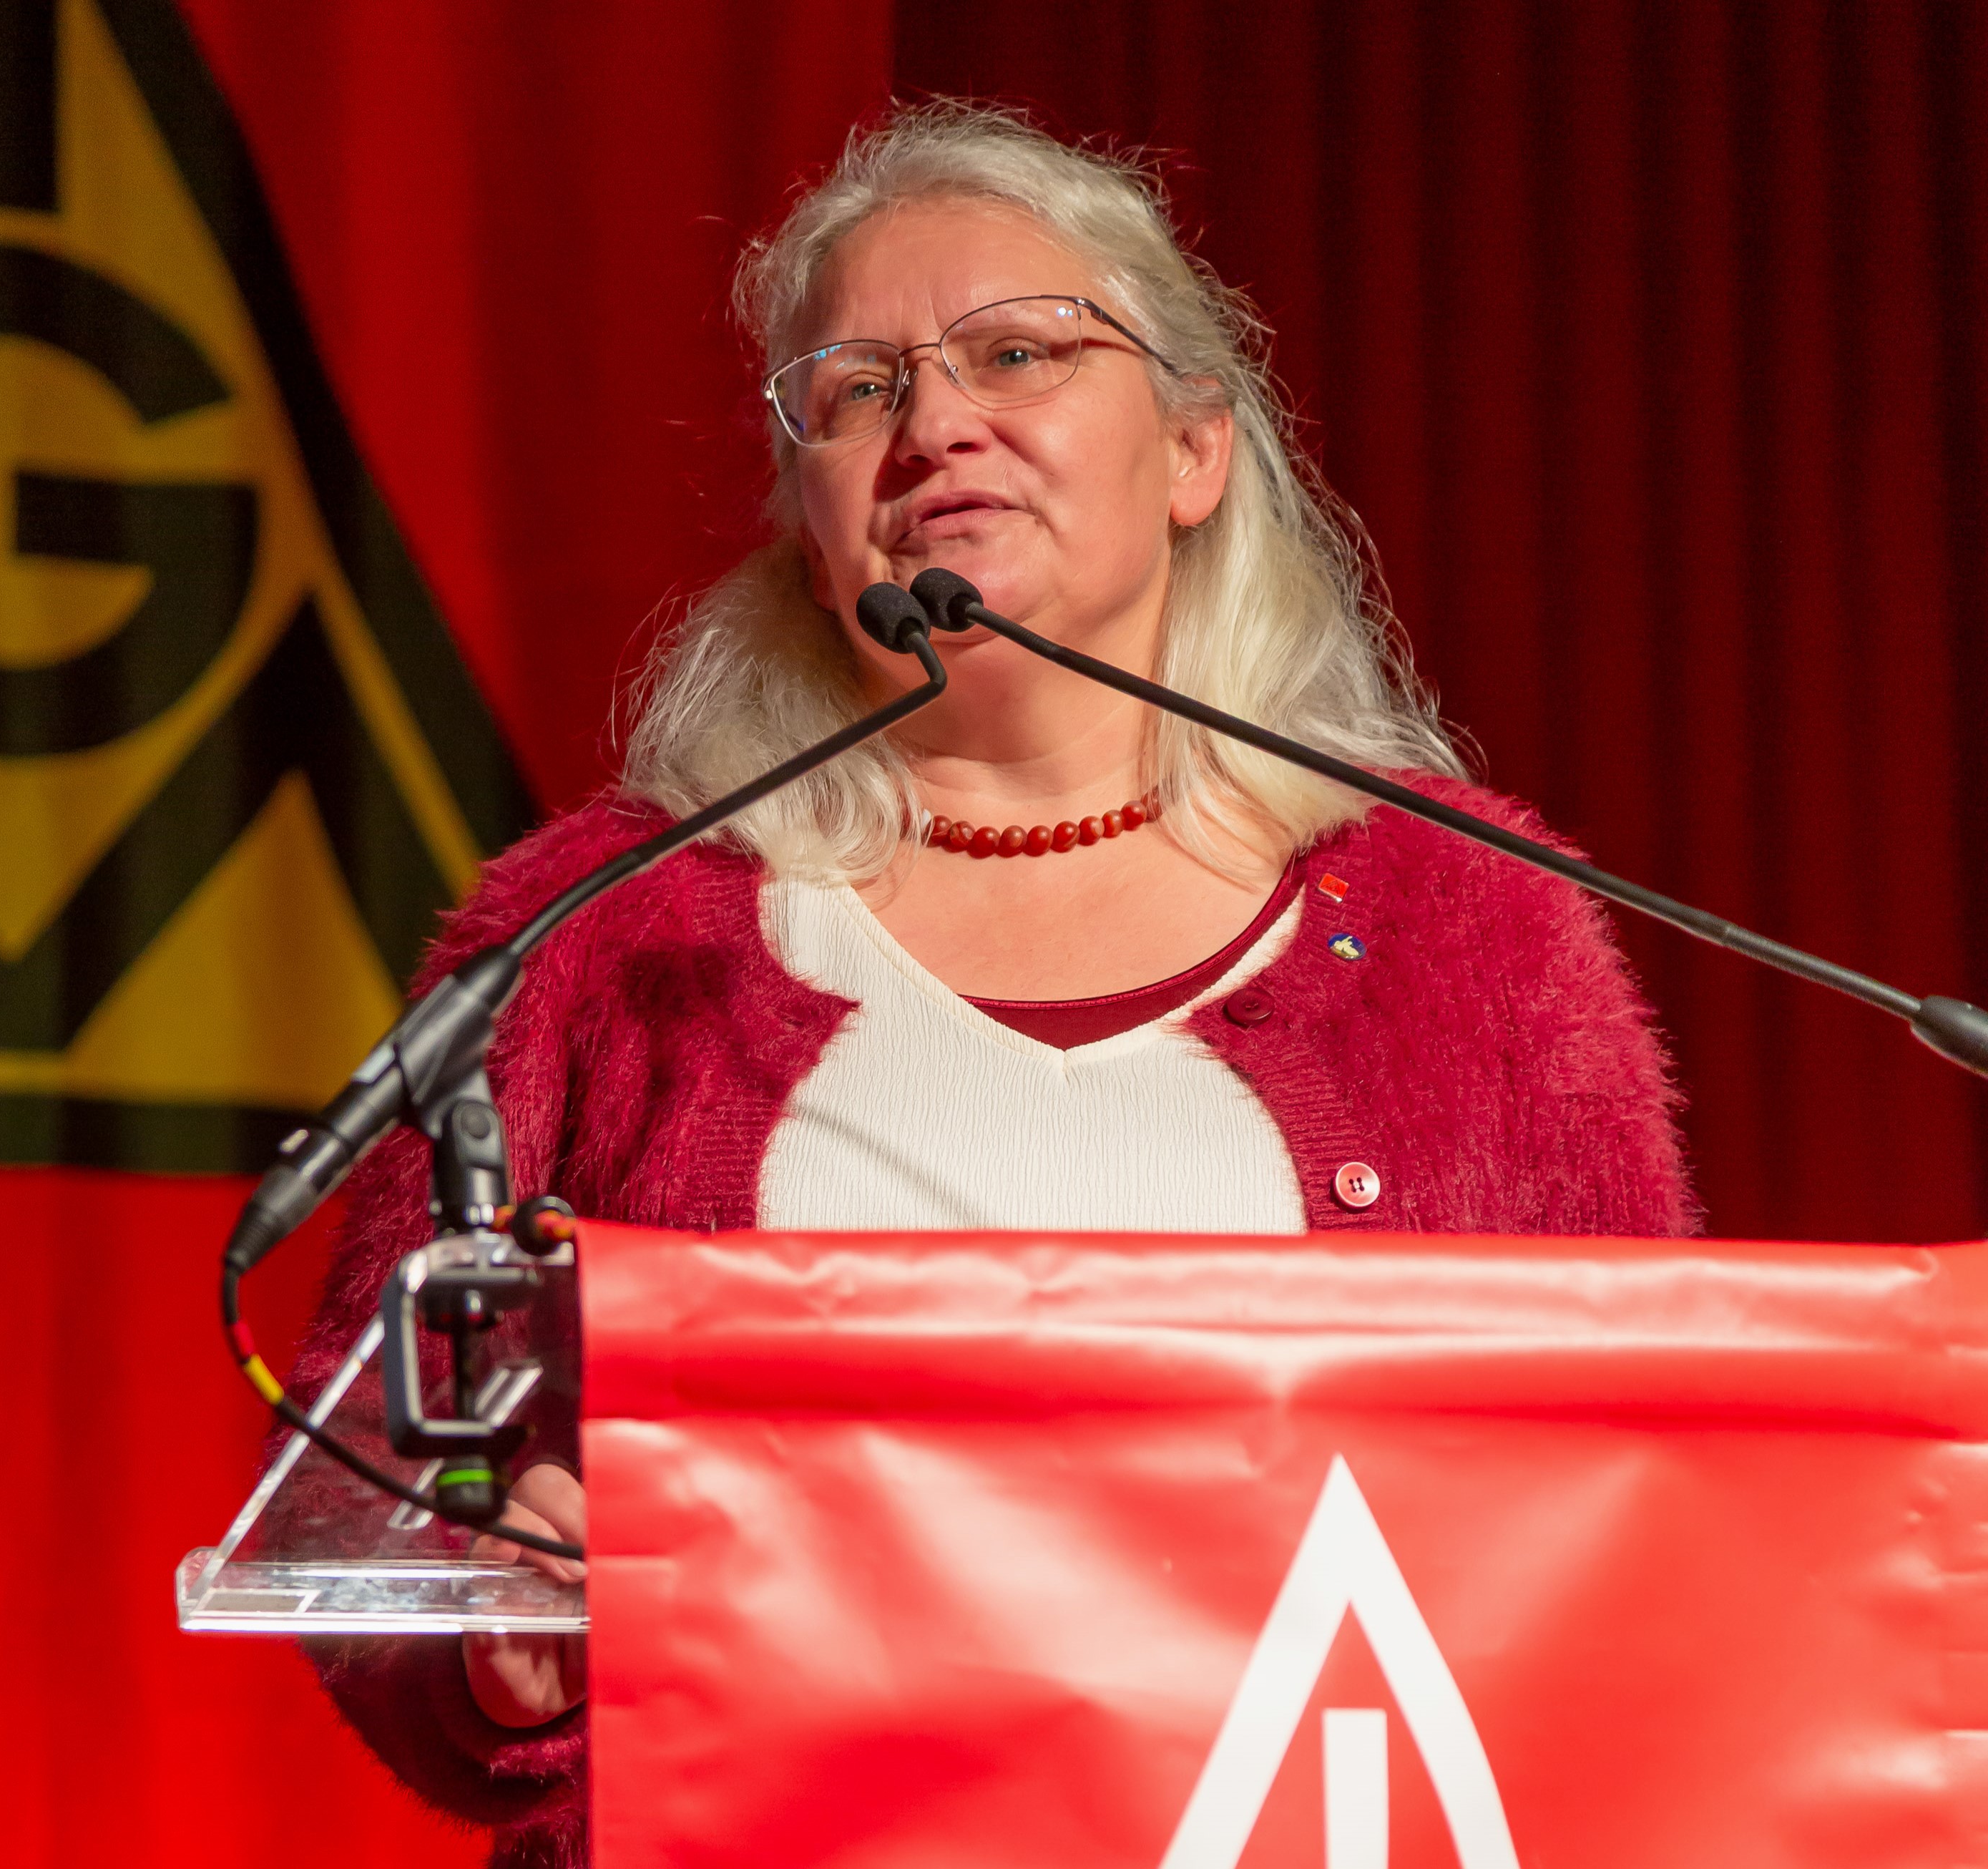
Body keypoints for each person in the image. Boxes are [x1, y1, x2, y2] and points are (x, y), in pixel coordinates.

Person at [292, 101, 1696, 1868]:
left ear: (1194, 451)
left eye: (1018, 352)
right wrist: (495, 1620)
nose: (937, 422)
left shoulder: (1473, 925)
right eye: (858, 388)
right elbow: (356, 1453)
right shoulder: (601, 933)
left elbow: (1653, 1477)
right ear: (807, 516)